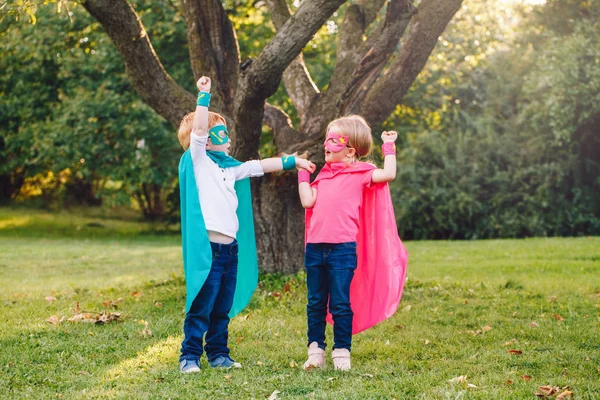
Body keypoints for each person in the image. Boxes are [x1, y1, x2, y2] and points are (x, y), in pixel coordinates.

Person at [177, 76, 315, 373]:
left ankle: (218, 354)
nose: (226, 136)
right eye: (220, 132)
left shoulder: (231, 169)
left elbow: (259, 165)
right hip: (209, 251)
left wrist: (294, 162)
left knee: (221, 308)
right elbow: (199, 131)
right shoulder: (199, 160)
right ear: (207, 139)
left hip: (230, 251)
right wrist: (204, 96)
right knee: (201, 305)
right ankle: (189, 356)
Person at [297, 115, 408, 371]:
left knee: (340, 303)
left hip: (342, 250)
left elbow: (389, 173)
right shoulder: (323, 176)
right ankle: (315, 351)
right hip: (315, 249)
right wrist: (303, 176)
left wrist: (388, 146)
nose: (326, 144)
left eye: (334, 140)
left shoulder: (362, 174)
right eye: (327, 139)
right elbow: (307, 202)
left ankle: (341, 352)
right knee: (315, 302)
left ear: (350, 151)